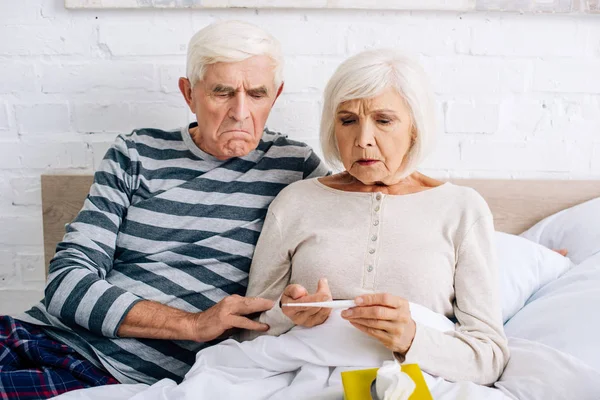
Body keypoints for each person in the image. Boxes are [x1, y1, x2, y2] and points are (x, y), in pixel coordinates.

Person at [0, 20, 328, 399]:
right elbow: (66, 281)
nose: (240, 112)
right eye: (222, 92)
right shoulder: (136, 153)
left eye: (257, 94)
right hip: (38, 335)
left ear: (277, 95)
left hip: (108, 375)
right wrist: (193, 324)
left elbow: (357, 226)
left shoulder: (296, 168)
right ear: (189, 93)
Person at [246, 48, 510, 385]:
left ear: (414, 127)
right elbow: (250, 333)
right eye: (348, 121)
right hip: (299, 378)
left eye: (383, 121)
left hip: (418, 383)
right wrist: (289, 316)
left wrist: (412, 338)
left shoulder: (462, 208)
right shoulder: (295, 201)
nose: (363, 140)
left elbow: (488, 356)